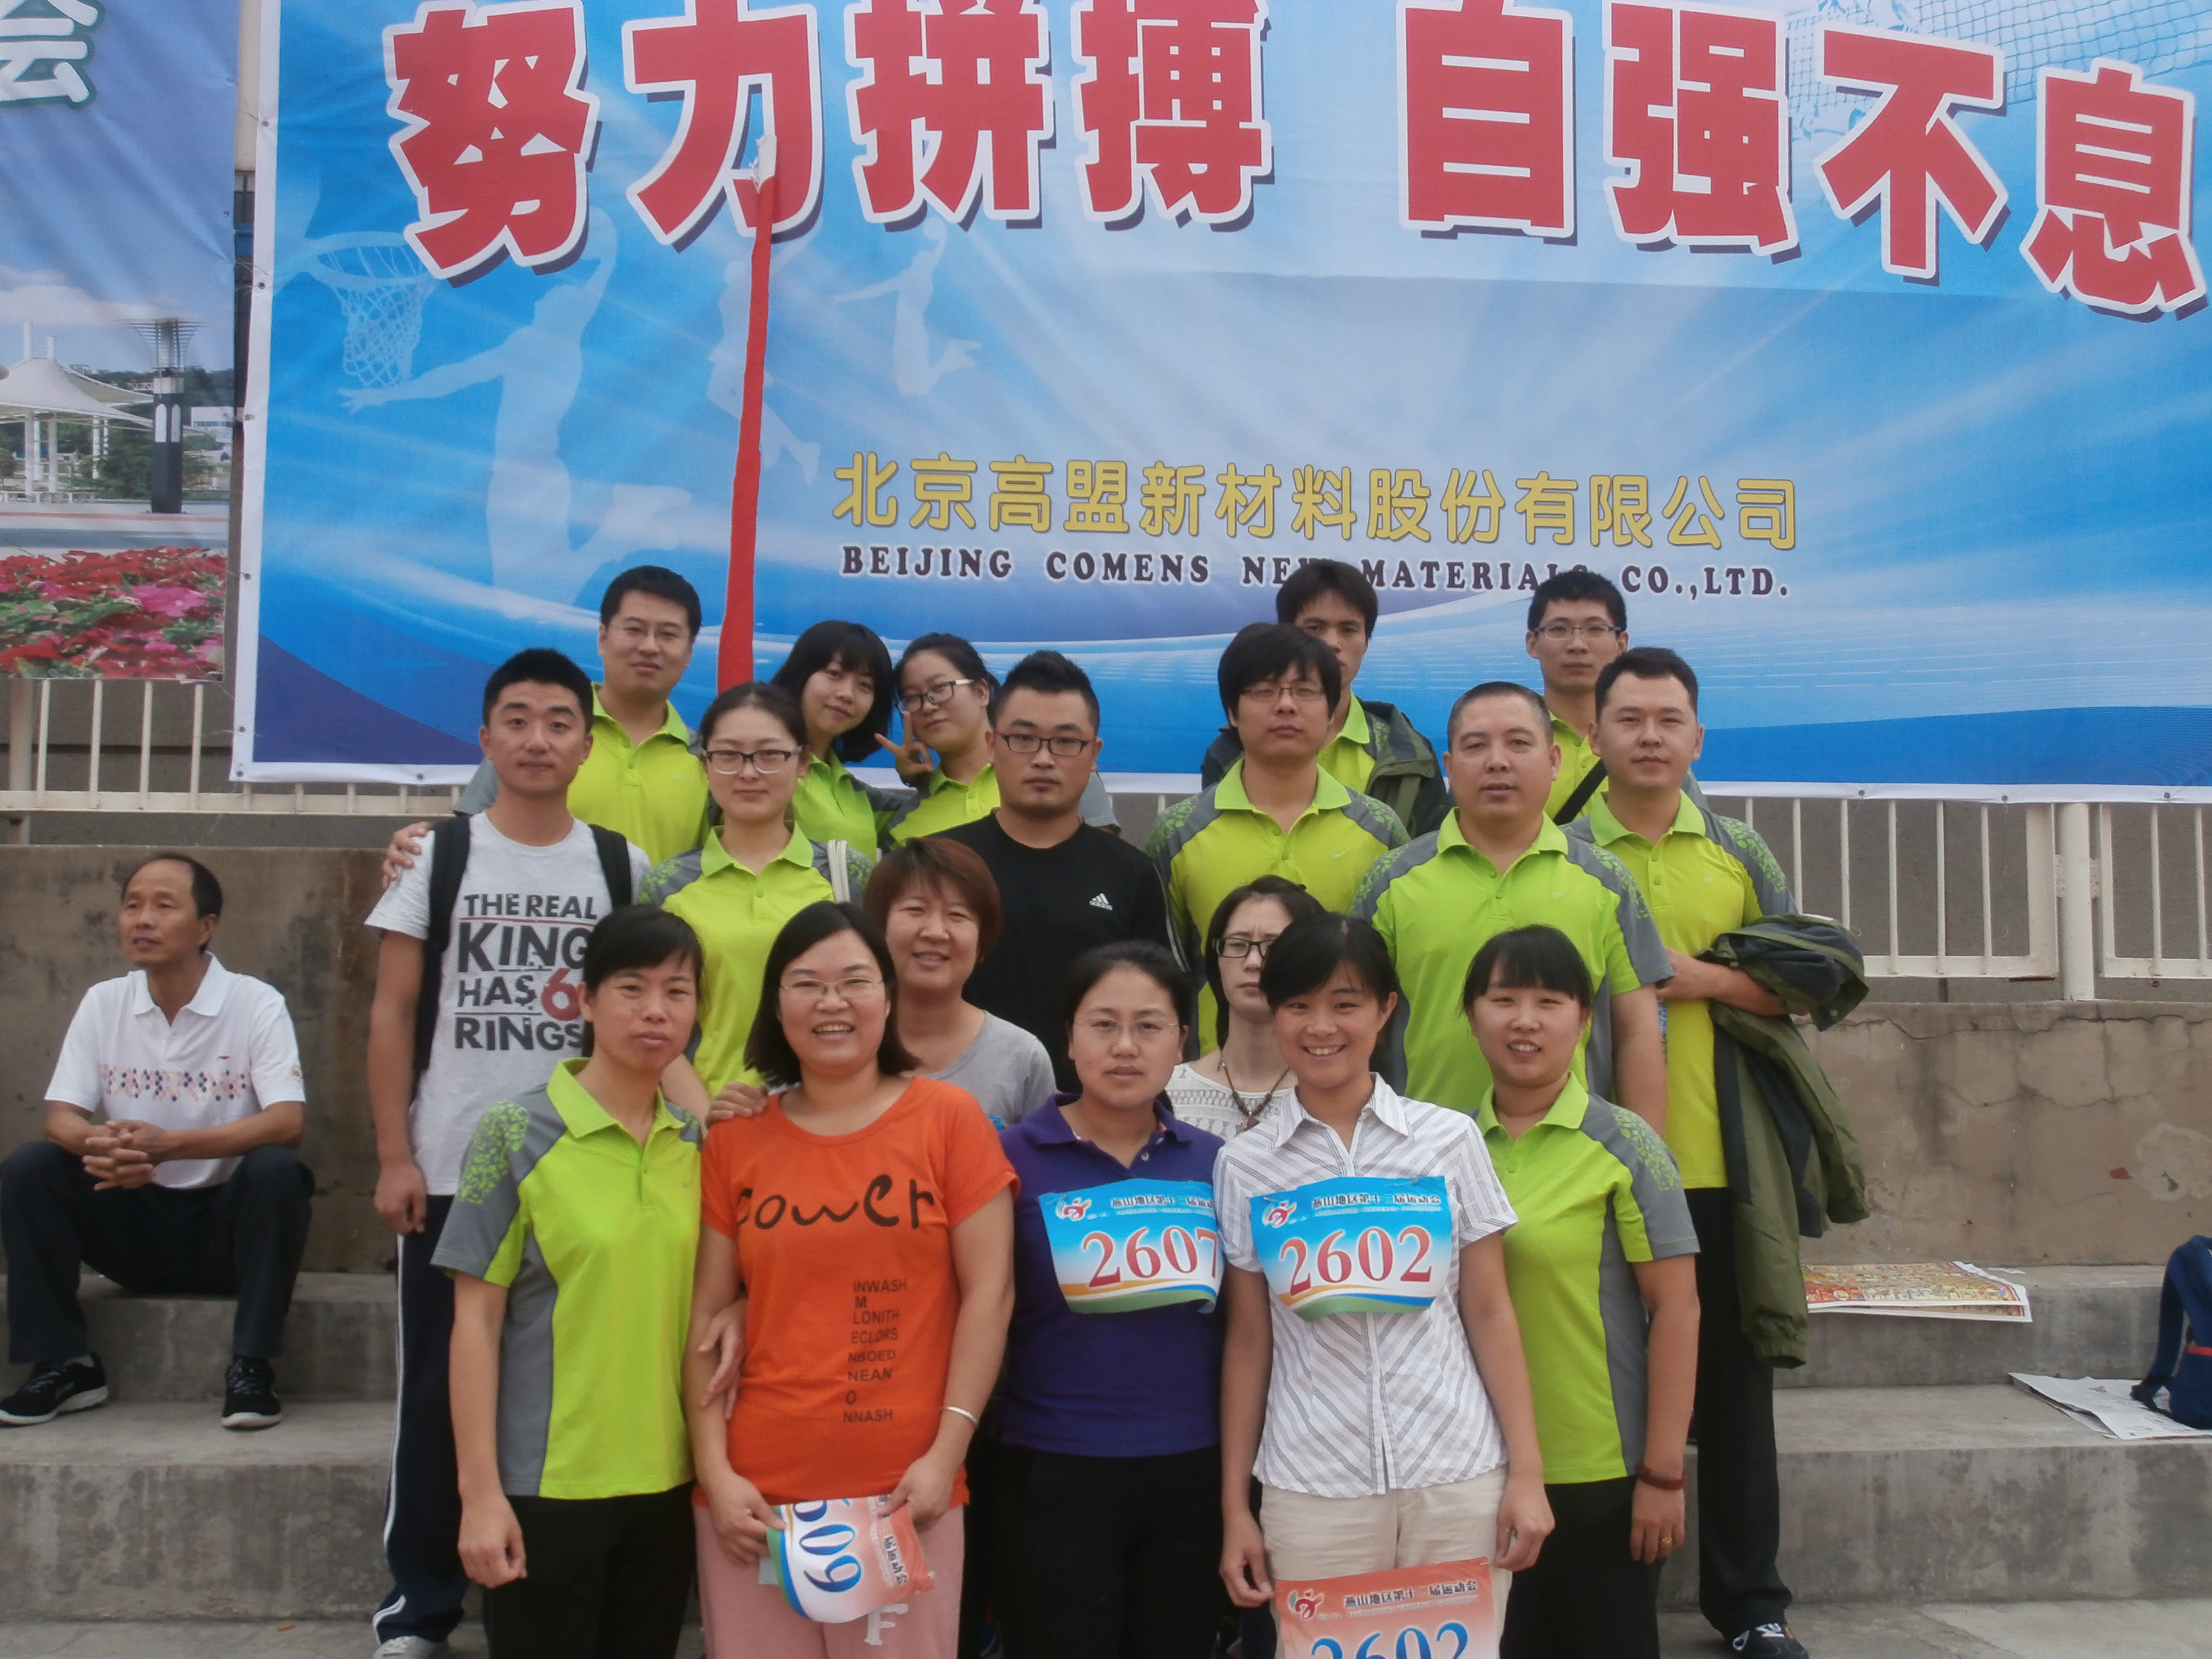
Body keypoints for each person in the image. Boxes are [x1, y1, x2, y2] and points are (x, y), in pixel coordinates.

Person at [364, 647, 657, 1659]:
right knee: (438, 1390)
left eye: (559, 722)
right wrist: (394, 1156)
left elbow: (649, 1016)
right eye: (518, 720)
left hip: (582, 1168)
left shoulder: (620, 866)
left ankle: (536, 1582)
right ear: (486, 738)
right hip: (458, 1165)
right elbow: (393, 1011)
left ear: (588, 743)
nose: (538, 739)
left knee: (554, 1390)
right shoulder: (438, 856)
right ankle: (421, 1605)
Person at [684, 901, 1016, 1659]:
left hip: (905, 1490)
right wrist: (716, 1473)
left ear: (888, 998)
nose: (831, 1002)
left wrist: (946, 1454)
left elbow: (990, 1296)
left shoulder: (949, 1119)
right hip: (754, 1498)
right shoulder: (737, 1140)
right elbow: (705, 1318)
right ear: (777, 1005)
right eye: (807, 984)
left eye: (855, 982)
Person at [1569, 647, 1807, 1659]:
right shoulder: (1567, 851)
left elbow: (1799, 982)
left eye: (1669, 720)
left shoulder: (1736, 851)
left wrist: (1702, 980)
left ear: (1697, 737)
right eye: (1630, 720)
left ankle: (1750, 1606)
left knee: (1736, 1392)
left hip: (1720, 1167)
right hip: (1596, 1169)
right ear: (1595, 735)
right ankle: (1604, 1603)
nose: (1649, 737)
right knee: (1606, 1386)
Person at [1214, 914, 1551, 1616]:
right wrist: (1235, 1508)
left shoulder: (1448, 1140)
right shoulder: (1246, 1164)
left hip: (1457, 1475)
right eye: (1298, 1005)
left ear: (1385, 1009)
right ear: (1273, 1012)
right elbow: (1248, 1341)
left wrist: (1527, 1474)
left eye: (1345, 1004)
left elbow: (1490, 1309)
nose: (1321, 1027)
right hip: (1313, 1487)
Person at [436, 906, 708, 1659]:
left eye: (678, 992)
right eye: (631, 988)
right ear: (584, 1000)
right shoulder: (512, 1133)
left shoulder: (697, 1142)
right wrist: (480, 1495)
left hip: (667, 1485)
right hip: (546, 1488)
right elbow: (474, 1323)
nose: (655, 1011)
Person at [0, 854, 310, 1432]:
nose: (142, 920)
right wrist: (105, 1147)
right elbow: (60, 1119)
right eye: (132, 905)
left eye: (164, 907)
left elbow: (288, 1122)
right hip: (132, 1223)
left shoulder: (254, 1003)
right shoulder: (105, 1002)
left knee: (275, 1170)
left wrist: (172, 1146)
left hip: (224, 1234)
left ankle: (252, 1367)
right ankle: (64, 1364)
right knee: (31, 1166)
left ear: (205, 927)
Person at [1462, 926, 1699, 1659]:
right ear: (1470, 1016)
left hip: (1601, 1473)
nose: (1525, 1021)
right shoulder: (1442, 1144)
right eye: (1504, 1000)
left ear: (1586, 1019)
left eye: (1549, 1002)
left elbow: (1678, 1309)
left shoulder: (1628, 1144)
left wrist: (1663, 1473)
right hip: (1473, 1471)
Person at [994, 943, 1228, 1659]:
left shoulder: (1217, 1164)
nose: (1125, 1047)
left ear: (1182, 1042)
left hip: (1193, 1468)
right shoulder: (1007, 1157)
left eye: (1149, 1026)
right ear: (1068, 1037)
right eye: (1103, 1025)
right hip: (1051, 1467)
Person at [1353, 681, 1670, 1127]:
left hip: (1570, 1155)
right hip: (1423, 1152)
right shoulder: (1391, 879)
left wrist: (1643, 1155)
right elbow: (1355, 1023)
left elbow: (1638, 1031)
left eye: (1519, 743)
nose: (1497, 761)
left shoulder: (1606, 880)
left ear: (1554, 761)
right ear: (1449, 766)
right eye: (1476, 746)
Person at [1151, 624, 1407, 1043]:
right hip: (1215, 1067)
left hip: (1336, 1064)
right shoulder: (1178, 832)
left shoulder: (1380, 828)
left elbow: (1388, 972)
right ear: (1232, 712)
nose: (1286, 705)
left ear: (1331, 712)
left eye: (1305, 691)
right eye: (1264, 691)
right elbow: (1164, 971)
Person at [940, 651, 1174, 1091]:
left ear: (1094, 753)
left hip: (1091, 1108)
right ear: (991, 744)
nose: (1044, 759)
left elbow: (1156, 1005)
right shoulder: (943, 865)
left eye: (1066, 742)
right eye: (1023, 739)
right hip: (958, 1103)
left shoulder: (1131, 875)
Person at [385, 567, 713, 878]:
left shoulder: (709, 757)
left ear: (688, 653)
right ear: (602, 638)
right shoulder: (541, 733)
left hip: (660, 923)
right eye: (634, 630)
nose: (649, 647)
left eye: (668, 635)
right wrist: (419, 850)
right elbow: (472, 837)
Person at [640, 682, 873, 1107]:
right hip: (709, 1119)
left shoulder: (846, 873)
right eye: (729, 756)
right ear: (705, 766)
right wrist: (706, 1119)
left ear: (802, 763)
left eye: (769, 755)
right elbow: (651, 1020)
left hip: (830, 1115)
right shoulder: (666, 885)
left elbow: (879, 1003)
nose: (749, 773)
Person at [1200, 560, 1449, 836]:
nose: (1332, 643)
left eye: (1348, 630)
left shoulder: (1409, 754)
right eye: (1315, 628)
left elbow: (1427, 853)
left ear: (1367, 642)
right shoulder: (1230, 751)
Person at [864, 838, 1056, 1130]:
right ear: (879, 928)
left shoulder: (1022, 1058)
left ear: (982, 943)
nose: (935, 932)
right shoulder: (843, 1043)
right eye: (916, 910)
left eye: (957, 915)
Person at [1164, 877, 1323, 1142]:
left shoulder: (1334, 1097)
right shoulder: (1165, 1094)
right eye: (1238, 945)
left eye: (1274, 947)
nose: (1253, 962)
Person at [771, 618, 906, 856]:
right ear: (800, 673)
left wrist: (918, 780)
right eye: (834, 674)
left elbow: (934, 823)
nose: (847, 694)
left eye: (865, 685)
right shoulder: (759, 767)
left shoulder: (856, 792)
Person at [1524, 569, 1631, 824]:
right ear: (1533, 643)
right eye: (1559, 629)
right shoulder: (1507, 735)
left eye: (1595, 629)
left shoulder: (1646, 737)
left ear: (1621, 644)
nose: (1577, 645)